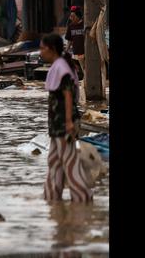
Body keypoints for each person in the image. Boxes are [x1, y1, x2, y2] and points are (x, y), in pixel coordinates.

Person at [40, 33, 92, 203]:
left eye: (42, 48)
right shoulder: (58, 66)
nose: (41, 52)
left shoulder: (62, 68)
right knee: (54, 160)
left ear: (52, 49)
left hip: (64, 124)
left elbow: (68, 95)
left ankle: (83, 198)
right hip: (57, 124)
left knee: (69, 162)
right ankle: (52, 198)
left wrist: (69, 121)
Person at [65, 6, 85, 74]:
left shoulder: (85, 25)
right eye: (71, 16)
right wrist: (66, 51)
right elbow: (69, 40)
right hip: (78, 52)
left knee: (88, 67)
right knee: (83, 68)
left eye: (73, 16)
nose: (71, 18)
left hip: (87, 51)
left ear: (78, 16)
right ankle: (86, 80)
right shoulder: (71, 26)